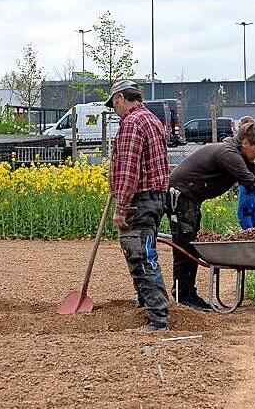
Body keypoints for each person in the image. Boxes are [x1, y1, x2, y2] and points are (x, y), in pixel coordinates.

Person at [168, 122, 255, 311]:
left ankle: (187, 294)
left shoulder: (237, 153)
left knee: (190, 244)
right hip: (180, 195)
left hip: (190, 198)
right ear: (245, 142)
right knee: (184, 245)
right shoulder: (228, 155)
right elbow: (252, 183)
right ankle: (184, 295)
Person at [106, 80, 170, 332]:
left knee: (142, 257)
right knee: (145, 251)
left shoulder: (131, 124)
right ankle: (146, 305)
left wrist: (120, 207)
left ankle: (157, 318)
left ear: (121, 98)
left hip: (139, 201)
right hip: (155, 199)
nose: (114, 110)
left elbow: (129, 170)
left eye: (114, 104)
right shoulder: (153, 120)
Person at [236, 116, 255, 229]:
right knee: (253, 209)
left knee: (245, 210)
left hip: (247, 182)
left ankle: (250, 234)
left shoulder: (247, 146)